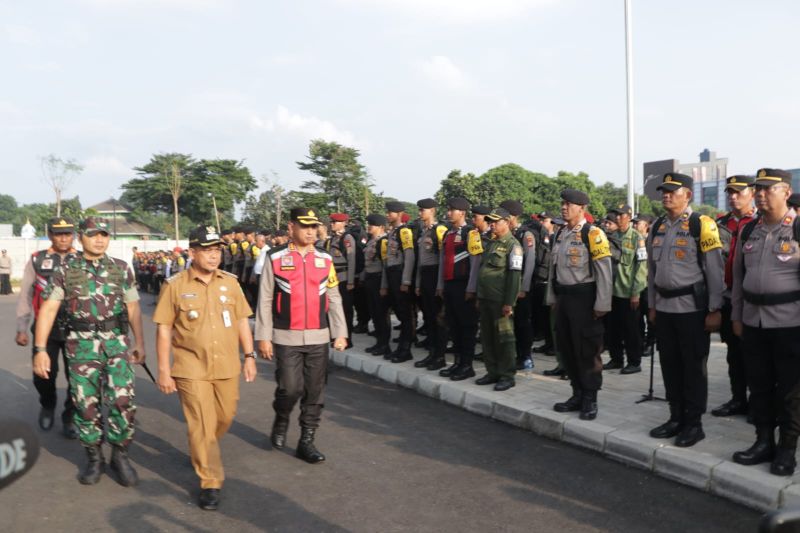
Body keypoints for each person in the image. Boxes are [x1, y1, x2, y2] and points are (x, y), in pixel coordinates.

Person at [33, 217, 146, 486]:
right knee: (85, 404)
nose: (99, 239)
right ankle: (94, 457)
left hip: (116, 344)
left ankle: (120, 455)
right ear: (81, 237)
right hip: (80, 346)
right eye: (93, 234)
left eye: (104, 235)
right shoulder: (66, 270)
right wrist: (40, 349)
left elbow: (133, 308)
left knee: (122, 401)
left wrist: (140, 343)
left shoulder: (121, 268)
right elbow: (48, 309)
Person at [153, 225, 257, 510]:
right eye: (207, 250)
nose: (214, 256)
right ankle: (210, 480)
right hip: (190, 367)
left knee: (224, 416)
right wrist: (164, 369)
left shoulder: (231, 283)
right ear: (193, 252)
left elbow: (240, 321)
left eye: (217, 250)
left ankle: (202, 448)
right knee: (201, 423)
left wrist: (249, 355)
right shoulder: (175, 286)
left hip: (227, 365)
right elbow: (164, 329)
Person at [255, 208, 348, 464]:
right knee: (290, 388)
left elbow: (333, 296)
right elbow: (264, 298)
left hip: (318, 336)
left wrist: (340, 332)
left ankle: (306, 441)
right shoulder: (275, 258)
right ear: (291, 228)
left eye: (313, 227)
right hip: (286, 336)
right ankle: (282, 417)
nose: (310, 231)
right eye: (304, 226)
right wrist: (263, 336)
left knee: (315, 392)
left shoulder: (325, 259)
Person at [647, 173, 724, 447]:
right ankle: (675, 417)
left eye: (672, 191)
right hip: (665, 308)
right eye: (663, 191)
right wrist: (652, 305)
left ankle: (694, 424)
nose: (666, 195)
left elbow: (714, 270)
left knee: (693, 367)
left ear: (687, 195)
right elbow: (651, 272)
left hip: (692, 309)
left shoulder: (701, 224)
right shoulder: (657, 226)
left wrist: (715, 308)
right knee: (670, 365)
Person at [731, 169, 800, 475]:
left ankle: (787, 448)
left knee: (789, 390)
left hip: (789, 323)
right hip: (753, 321)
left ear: (786, 192)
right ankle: (762, 441)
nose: (760, 194)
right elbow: (736, 280)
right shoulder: (749, 231)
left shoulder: (797, 228)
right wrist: (736, 315)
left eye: (768, 189)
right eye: (758, 189)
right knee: (758, 386)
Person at [548, 190, 613, 420]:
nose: (564, 207)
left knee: (587, 350)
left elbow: (604, 270)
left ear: (581, 208)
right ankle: (576, 393)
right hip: (564, 298)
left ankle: (590, 398)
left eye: (569, 204)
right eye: (563, 203)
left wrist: (602, 303)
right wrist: (552, 298)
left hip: (584, 298)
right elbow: (553, 271)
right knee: (566, 348)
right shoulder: (560, 234)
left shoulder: (592, 234)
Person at [16, 217, 81, 438]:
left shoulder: (82, 259)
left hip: (78, 328)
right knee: (43, 374)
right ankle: (48, 404)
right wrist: (22, 327)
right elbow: (25, 294)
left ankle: (69, 417)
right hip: (47, 328)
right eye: (58, 233)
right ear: (50, 235)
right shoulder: (37, 259)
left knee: (79, 377)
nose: (63, 237)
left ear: (73, 235)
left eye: (67, 233)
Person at [711, 175, 756, 418]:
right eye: (730, 192)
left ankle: (758, 403)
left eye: (738, 192)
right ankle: (737, 398)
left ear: (752, 192)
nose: (733, 196)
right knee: (734, 354)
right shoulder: (720, 225)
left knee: (756, 356)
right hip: (728, 297)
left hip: (754, 301)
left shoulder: (760, 222)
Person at [475, 208, 522, 392]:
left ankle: (507, 375)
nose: (492, 224)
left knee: (504, 339)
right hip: (486, 298)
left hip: (501, 301)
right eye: (490, 221)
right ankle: (492, 371)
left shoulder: (513, 245)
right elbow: (483, 271)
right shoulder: (491, 243)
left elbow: (514, 276)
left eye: (495, 221)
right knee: (487, 337)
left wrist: (509, 302)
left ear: (507, 222)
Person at [436, 197, 482, 378]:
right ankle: (457, 362)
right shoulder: (447, 234)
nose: (448, 213)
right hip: (449, 285)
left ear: (462, 213)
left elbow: (476, 261)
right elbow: (442, 261)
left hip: (463, 286)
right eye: (448, 209)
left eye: (452, 210)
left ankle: (467, 365)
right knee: (453, 325)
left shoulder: (471, 233)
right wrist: (440, 285)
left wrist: (471, 288)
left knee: (467, 326)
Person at [602, 204, 648, 375]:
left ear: (628, 217)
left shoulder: (637, 238)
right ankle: (616, 359)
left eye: (621, 215)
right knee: (612, 329)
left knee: (632, 330)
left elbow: (641, 267)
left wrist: (636, 293)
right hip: (612, 291)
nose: (618, 218)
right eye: (616, 215)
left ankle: (634, 362)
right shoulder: (611, 236)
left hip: (629, 292)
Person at [413, 199, 448, 368]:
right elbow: (421, 261)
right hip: (425, 276)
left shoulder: (439, 230)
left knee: (438, 318)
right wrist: (419, 283)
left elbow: (443, 259)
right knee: (428, 316)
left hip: (435, 275)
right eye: (419, 210)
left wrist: (440, 284)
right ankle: (432, 353)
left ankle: (439, 356)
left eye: (423, 210)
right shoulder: (423, 232)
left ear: (432, 211)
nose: (420, 213)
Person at [383, 201, 416, 362]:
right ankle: (400, 347)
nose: (388, 215)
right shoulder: (392, 232)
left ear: (400, 214)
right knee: (400, 313)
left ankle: (405, 349)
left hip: (400, 274)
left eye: (391, 212)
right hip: (391, 274)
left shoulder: (404, 232)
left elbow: (409, 256)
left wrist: (406, 280)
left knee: (405, 314)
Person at [362, 214, 391, 356]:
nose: (368, 227)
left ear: (380, 227)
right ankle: (379, 342)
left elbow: (386, 266)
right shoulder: (370, 241)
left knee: (381, 314)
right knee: (374, 313)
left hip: (379, 279)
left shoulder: (384, 241)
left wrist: (384, 286)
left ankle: (384, 344)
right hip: (370, 279)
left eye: (371, 225)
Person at [327, 213, 357, 348]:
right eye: (332, 222)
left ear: (343, 223)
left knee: (346, 310)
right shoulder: (332, 238)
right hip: (334, 279)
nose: (332, 224)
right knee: (334, 309)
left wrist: (350, 281)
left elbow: (351, 260)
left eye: (335, 222)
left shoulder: (347, 238)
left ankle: (347, 338)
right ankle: (336, 336)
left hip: (344, 278)